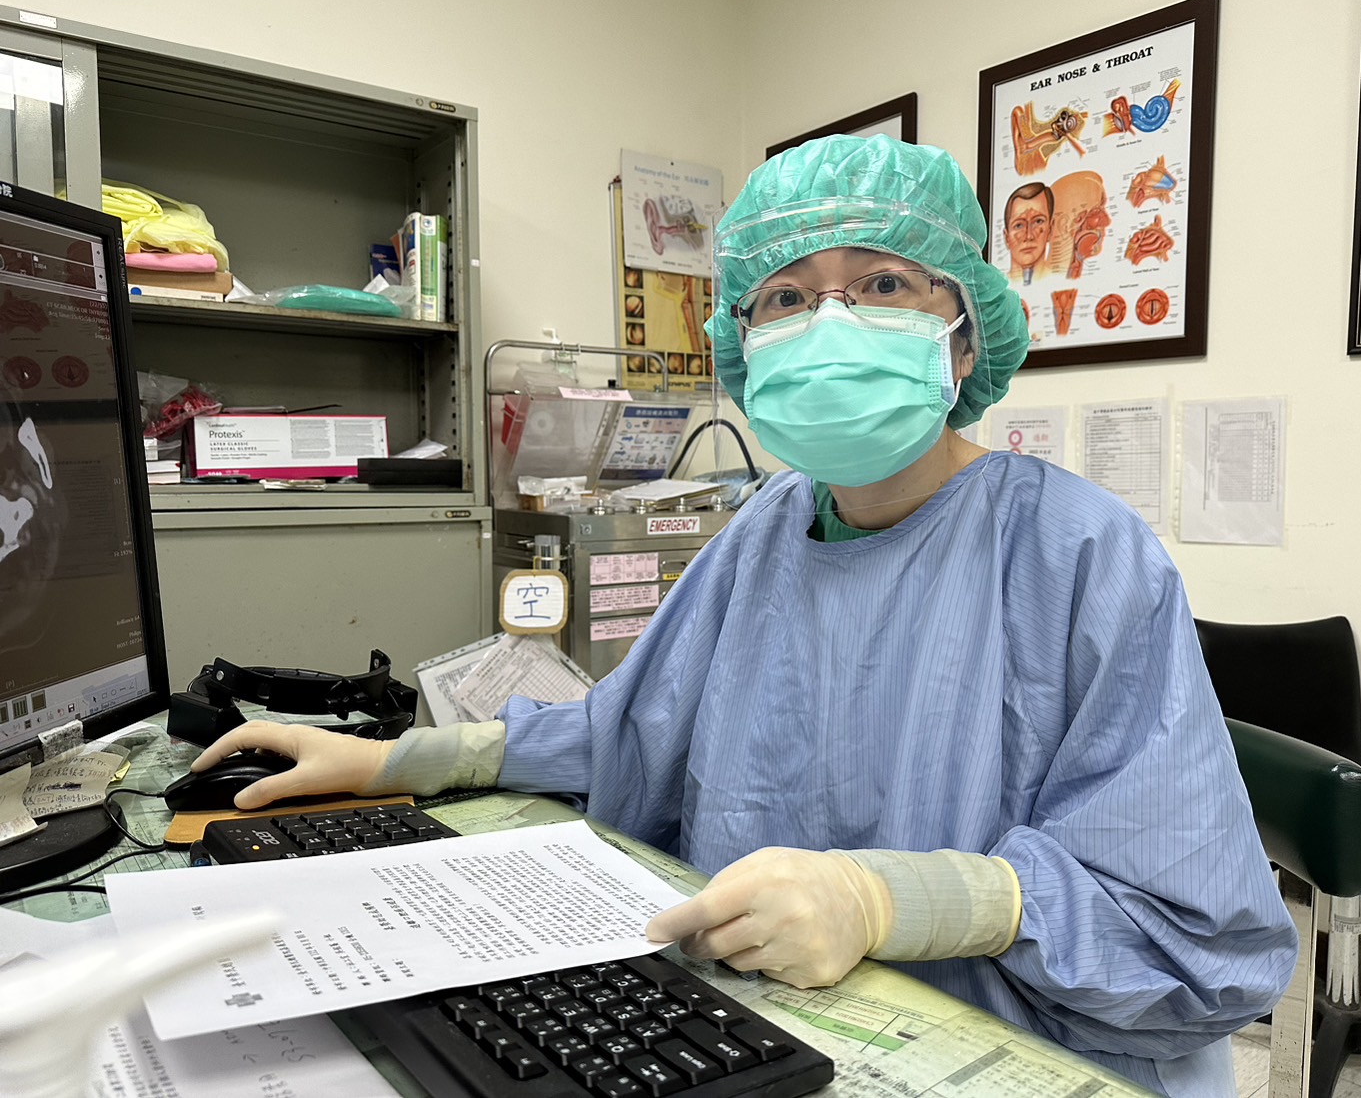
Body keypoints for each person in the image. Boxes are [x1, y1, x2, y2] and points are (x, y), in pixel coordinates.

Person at [195, 134, 1296, 1097]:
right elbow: (631, 729)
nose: (830, 323)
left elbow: (1191, 931)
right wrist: (391, 759)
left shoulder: (1080, 553)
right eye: (785, 297)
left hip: (998, 1042)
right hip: (762, 1018)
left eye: (882, 283)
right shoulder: (767, 526)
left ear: (965, 337)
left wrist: (884, 899)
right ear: (743, 344)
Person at [1003, 181, 1053, 284]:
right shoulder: (993, 289)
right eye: (1019, 225)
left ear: (1050, 229)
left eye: (1038, 221)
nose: (1029, 236)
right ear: (1006, 237)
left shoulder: (1062, 281)